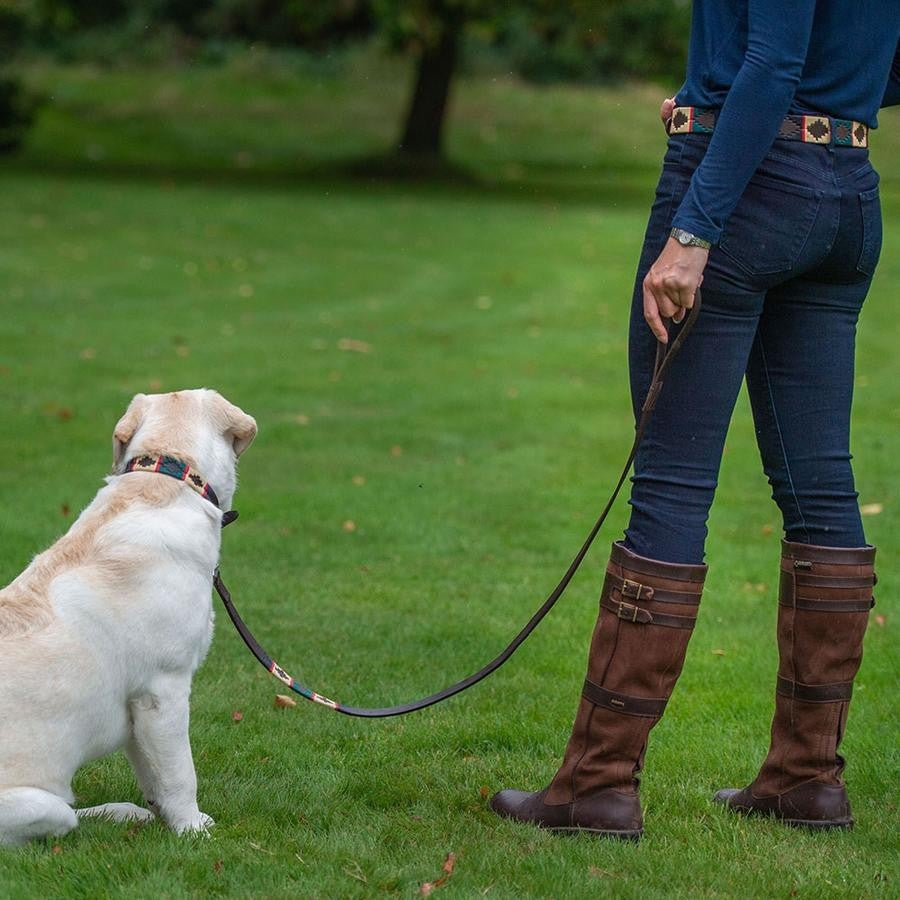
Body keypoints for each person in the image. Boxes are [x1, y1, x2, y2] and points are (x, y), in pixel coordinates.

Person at [490, 1, 900, 839]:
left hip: (743, 194)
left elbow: (773, 63)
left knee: (672, 488)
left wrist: (696, 224)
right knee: (821, 486)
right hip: (845, 195)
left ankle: (598, 786)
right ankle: (808, 777)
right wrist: (831, 101)